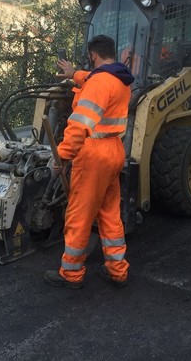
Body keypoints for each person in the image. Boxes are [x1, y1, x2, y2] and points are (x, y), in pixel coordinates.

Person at [44, 35, 134, 289]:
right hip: (114, 150)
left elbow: (80, 125)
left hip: (93, 153)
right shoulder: (120, 79)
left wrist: (62, 155)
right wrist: (74, 73)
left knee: (79, 215)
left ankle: (71, 274)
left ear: (93, 55)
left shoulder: (98, 83)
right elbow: (93, 79)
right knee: (109, 213)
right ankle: (118, 270)